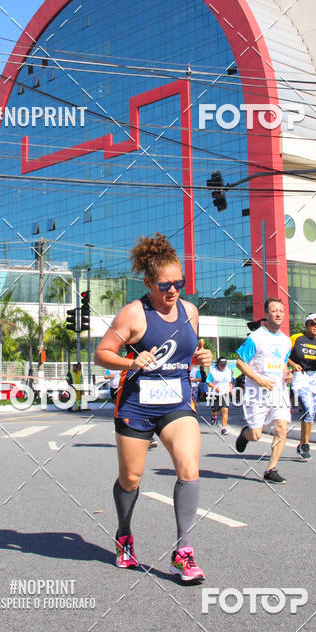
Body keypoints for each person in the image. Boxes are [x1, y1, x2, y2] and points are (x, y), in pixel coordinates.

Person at [95, 233, 212, 583]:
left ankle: (184, 551)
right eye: (165, 285)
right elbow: (103, 353)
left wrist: (200, 357)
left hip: (176, 401)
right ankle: (125, 534)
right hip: (137, 405)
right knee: (131, 478)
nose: (173, 290)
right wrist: (131, 363)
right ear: (148, 283)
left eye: (179, 283)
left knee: (189, 467)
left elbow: (186, 351)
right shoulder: (134, 313)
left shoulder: (190, 311)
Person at [234, 298, 293, 484]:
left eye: (281, 311)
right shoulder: (256, 338)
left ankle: (271, 469)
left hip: (278, 392)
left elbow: (283, 364)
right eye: (274, 311)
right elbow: (239, 363)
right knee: (256, 434)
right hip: (257, 392)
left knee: (281, 428)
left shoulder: (285, 341)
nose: (278, 314)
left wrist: (286, 375)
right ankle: (246, 434)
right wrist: (260, 380)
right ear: (266, 314)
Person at [287, 313, 316, 460]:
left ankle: (302, 444)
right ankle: (306, 444)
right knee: (308, 408)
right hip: (301, 376)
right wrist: (293, 365)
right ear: (307, 325)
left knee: (311, 413)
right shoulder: (296, 338)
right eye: (313, 324)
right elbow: (283, 354)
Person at [206, 357, 233, 435]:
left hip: (225, 393)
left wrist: (231, 391)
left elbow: (230, 382)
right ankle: (214, 417)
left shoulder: (229, 371)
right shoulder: (213, 372)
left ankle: (224, 428)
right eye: (221, 365)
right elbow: (208, 382)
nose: (223, 366)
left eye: (224, 365)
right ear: (217, 364)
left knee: (225, 410)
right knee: (215, 411)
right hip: (215, 394)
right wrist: (215, 388)